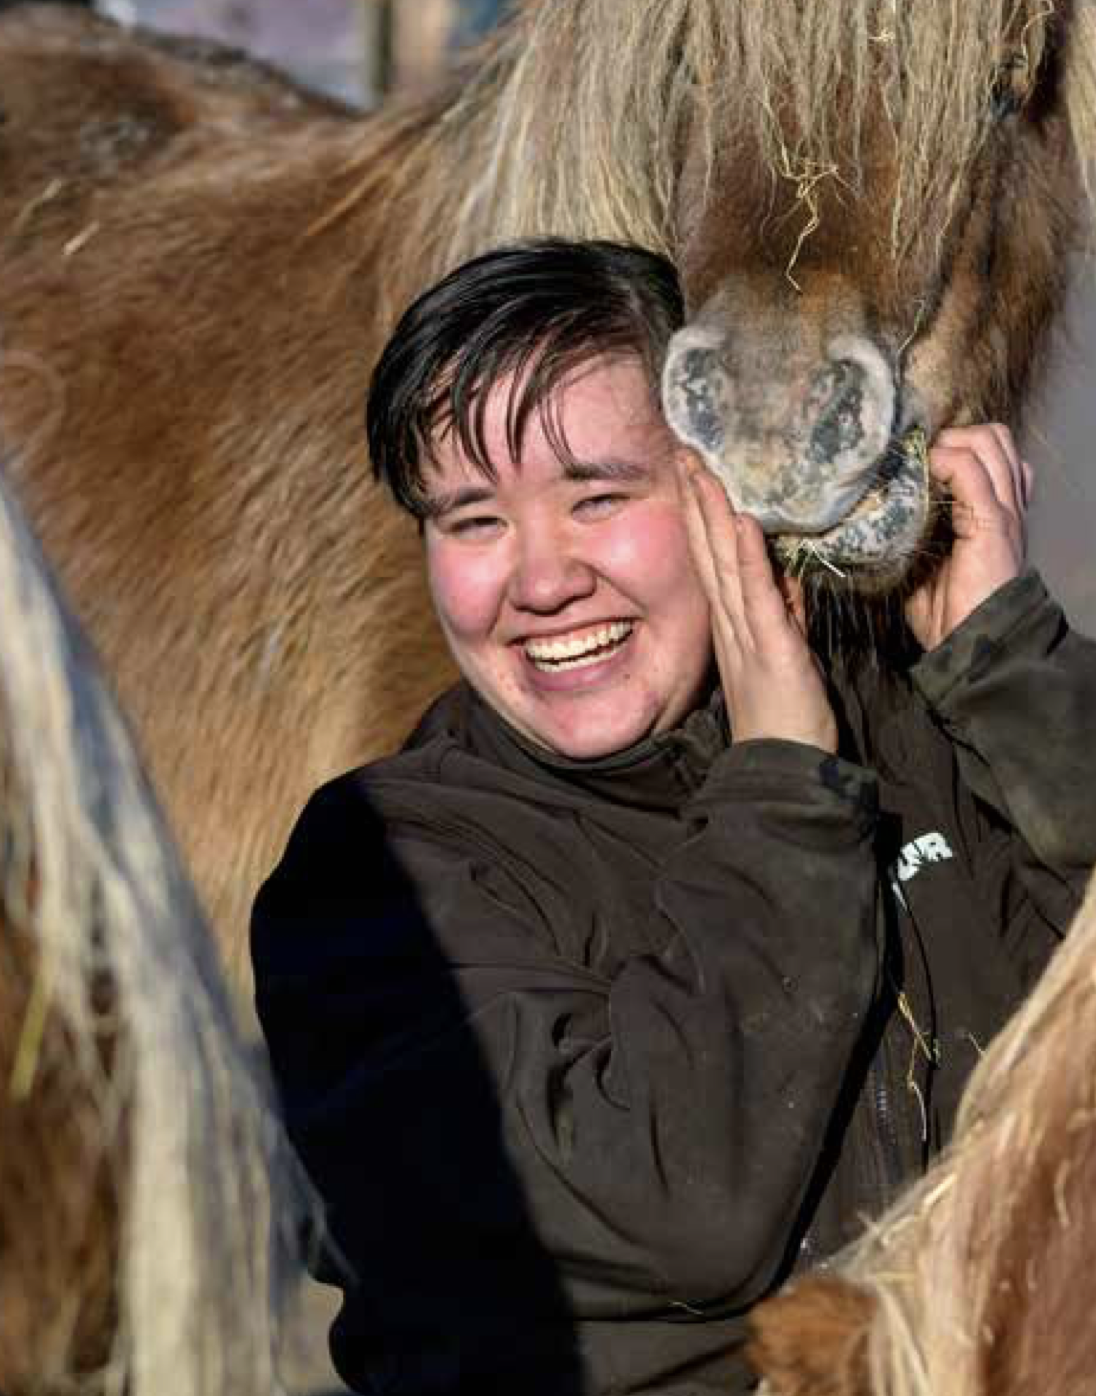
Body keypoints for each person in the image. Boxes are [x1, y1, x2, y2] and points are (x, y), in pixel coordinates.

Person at [251, 238, 1096, 1396]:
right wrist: (782, 790)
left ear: (728, 492)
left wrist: (1007, 663)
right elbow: (677, 1209)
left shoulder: (914, 730)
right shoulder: (380, 880)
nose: (540, 581)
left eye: (597, 497)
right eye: (474, 520)